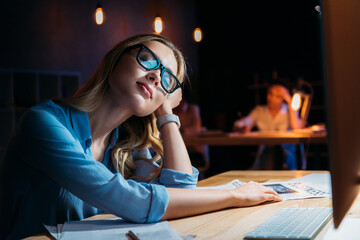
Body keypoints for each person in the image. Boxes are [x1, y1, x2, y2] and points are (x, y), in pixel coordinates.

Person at [0, 33, 282, 239]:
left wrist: (165, 113)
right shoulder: (44, 123)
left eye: (167, 79)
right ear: (115, 60)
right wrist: (233, 196)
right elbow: (127, 199)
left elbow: (180, 194)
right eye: (148, 60)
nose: (157, 77)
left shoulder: (124, 146)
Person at [233, 82, 305, 170]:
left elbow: (296, 127)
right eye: (270, 94)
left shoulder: (290, 110)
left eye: (277, 96)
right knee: (271, 152)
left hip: (287, 159)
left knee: (278, 151)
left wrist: (290, 101)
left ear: (283, 98)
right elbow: (238, 124)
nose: (271, 98)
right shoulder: (259, 111)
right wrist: (241, 128)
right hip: (264, 158)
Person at [173, 98, 210, 178]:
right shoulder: (171, 111)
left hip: (194, 152)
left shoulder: (193, 109)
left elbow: (197, 127)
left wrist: (181, 130)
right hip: (178, 151)